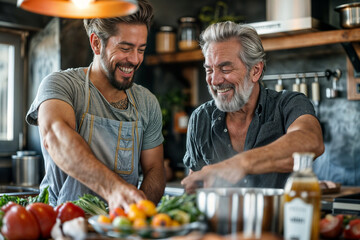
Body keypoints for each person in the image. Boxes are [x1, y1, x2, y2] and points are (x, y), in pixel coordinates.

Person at [26, 0, 166, 211]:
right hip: (62, 225)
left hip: (119, 227)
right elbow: (56, 137)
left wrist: (139, 212)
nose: (135, 59)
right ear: (96, 43)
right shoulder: (61, 85)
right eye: (125, 48)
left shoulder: (147, 102)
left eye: (141, 49)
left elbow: (155, 168)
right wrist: (114, 190)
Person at [181, 21, 324, 193]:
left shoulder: (288, 104)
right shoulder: (200, 118)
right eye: (209, 70)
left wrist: (239, 164)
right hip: (221, 218)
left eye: (225, 69)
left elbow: (311, 141)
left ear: (255, 70)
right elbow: (195, 189)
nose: (215, 80)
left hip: (277, 218)